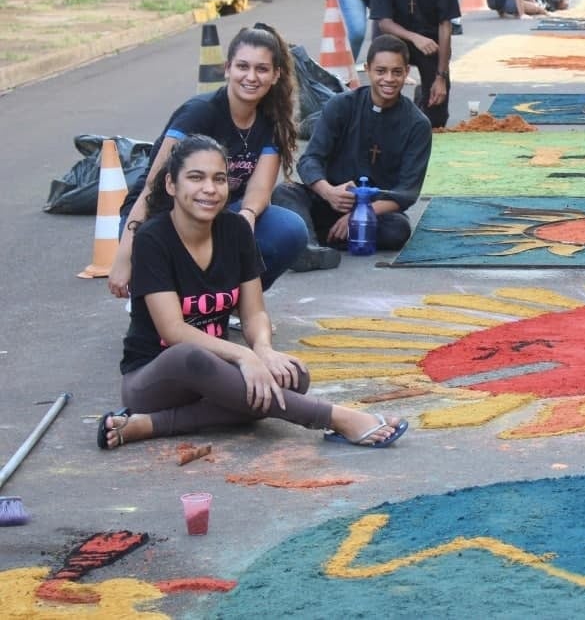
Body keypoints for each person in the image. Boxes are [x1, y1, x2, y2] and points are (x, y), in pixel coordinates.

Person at [97, 135, 408, 450]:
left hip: (215, 369)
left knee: (293, 376)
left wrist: (263, 349)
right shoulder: (153, 239)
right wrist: (244, 355)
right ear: (171, 185)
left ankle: (149, 426)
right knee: (192, 357)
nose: (209, 188)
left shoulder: (236, 230)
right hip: (158, 376)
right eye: (196, 177)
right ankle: (335, 417)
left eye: (219, 179)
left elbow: (254, 311)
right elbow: (174, 331)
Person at [109, 25, 313, 297]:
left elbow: (259, 191)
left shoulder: (272, 122)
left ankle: (228, 305)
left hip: (219, 214)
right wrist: (125, 256)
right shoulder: (200, 113)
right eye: (242, 66)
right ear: (227, 68)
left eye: (262, 69)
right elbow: (152, 187)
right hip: (161, 214)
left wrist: (247, 218)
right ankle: (170, 299)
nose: (251, 77)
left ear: (276, 75)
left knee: (289, 229)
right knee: (168, 323)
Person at [271, 36, 431, 254]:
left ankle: (317, 236)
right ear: (367, 69)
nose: (389, 79)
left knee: (398, 230)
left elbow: (406, 193)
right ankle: (308, 248)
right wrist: (328, 192)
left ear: (407, 72)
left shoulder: (417, 124)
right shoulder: (341, 106)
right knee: (285, 192)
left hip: (375, 210)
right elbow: (310, 159)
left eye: (397, 72)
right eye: (381, 71)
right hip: (329, 199)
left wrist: (361, 214)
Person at [369, 0, 460, 129]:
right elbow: (384, 23)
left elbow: (445, 27)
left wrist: (441, 77)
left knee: (436, 119)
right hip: (393, 41)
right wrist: (414, 38)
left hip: (431, 43)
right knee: (384, 108)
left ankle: (423, 96)